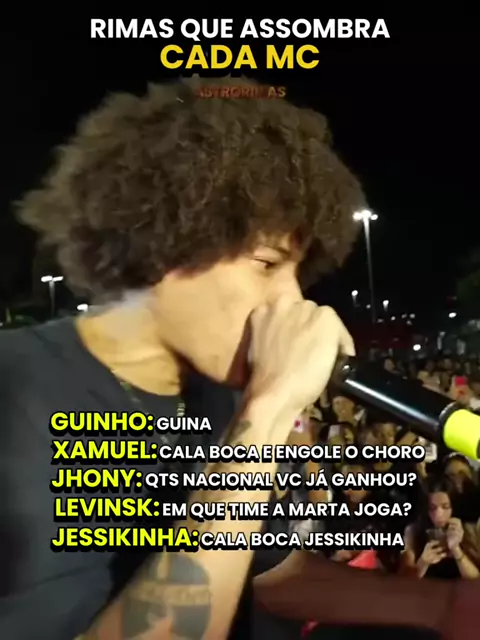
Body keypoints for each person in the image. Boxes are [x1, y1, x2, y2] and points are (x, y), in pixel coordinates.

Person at [0, 76, 478, 640]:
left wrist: (443, 606)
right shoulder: (18, 389)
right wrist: (269, 409)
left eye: (298, 273)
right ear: (168, 242)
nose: (292, 300)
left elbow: (265, 571)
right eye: (267, 264)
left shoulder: (213, 388)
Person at [400, 476, 480, 580]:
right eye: (432, 508)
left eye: (445, 507)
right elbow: (404, 582)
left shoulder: (468, 530)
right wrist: (423, 562)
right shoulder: (413, 531)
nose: (438, 515)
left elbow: (476, 581)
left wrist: (456, 550)